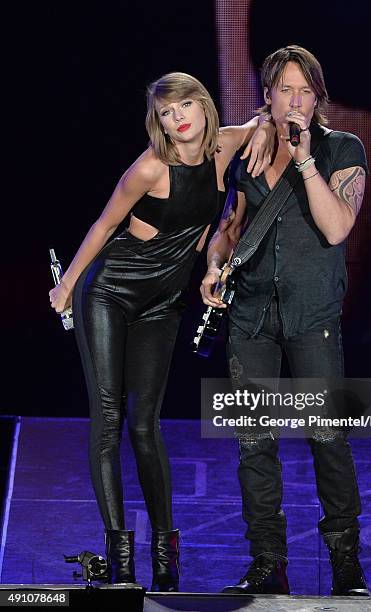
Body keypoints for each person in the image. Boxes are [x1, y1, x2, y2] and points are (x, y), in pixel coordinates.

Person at [49, 71, 274, 590]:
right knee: (107, 420)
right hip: (109, 291)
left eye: (186, 105)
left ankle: (166, 552)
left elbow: (263, 120)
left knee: (145, 424)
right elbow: (104, 225)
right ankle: (120, 555)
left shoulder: (224, 146)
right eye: (168, 113)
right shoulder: (151, 167)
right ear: (160, 123)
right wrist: (68, 287)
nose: (180, 118)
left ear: (202, 105)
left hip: (164, 303)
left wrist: (262, 126)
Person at [201, 45, 370, 596]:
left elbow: (337, 227)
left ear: (317, 98)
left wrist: (302, 159)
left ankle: (346, 564)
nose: (294, 100)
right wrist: (215, 265)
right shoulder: (249, 149)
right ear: (268, 96)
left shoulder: (343, 148)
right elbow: (232, 225)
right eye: (284, 90)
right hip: (250, 317)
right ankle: (267, 562)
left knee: (327, 438)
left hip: (312, 317)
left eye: (305, 91)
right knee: (254, 442)